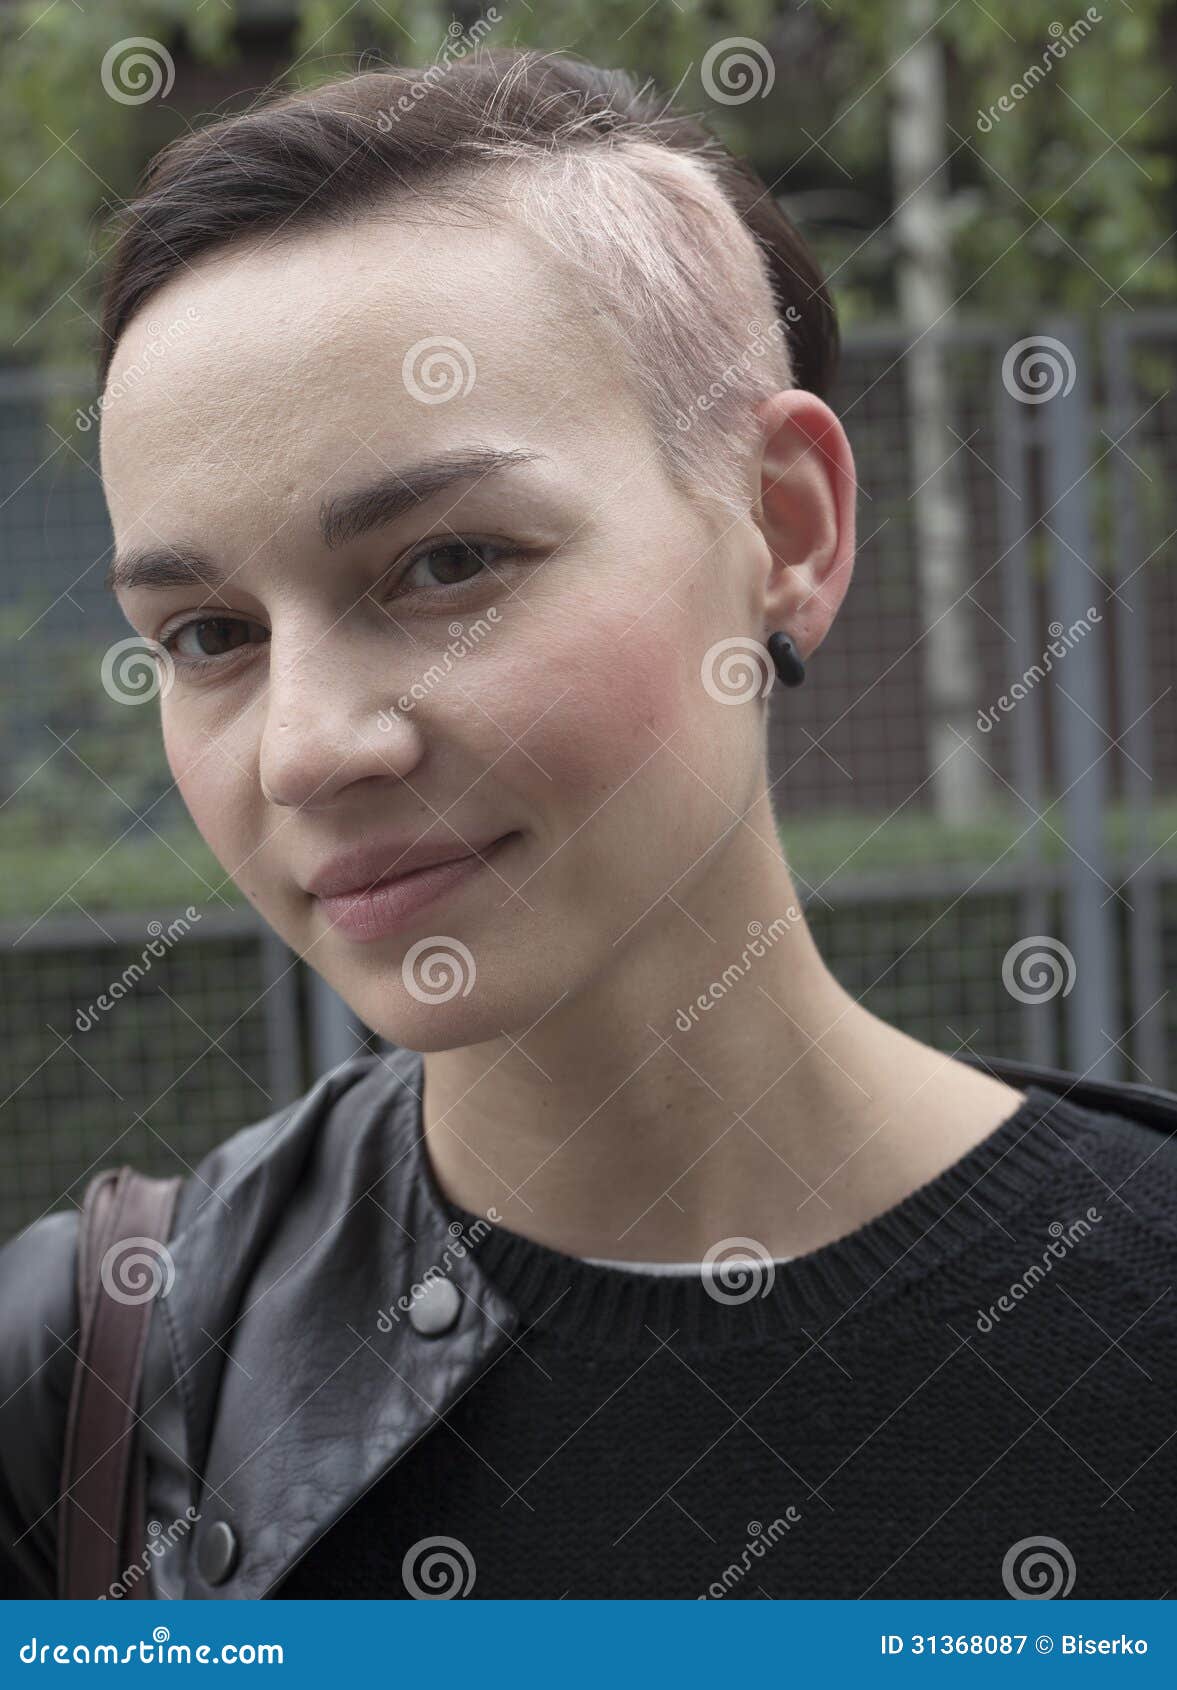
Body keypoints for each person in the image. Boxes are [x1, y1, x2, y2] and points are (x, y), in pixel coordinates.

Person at [2, 46, 1175, 1603]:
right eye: (211, 633)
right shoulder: (86, 1384)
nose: (304, 749)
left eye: (444, 565)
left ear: (783, 527)